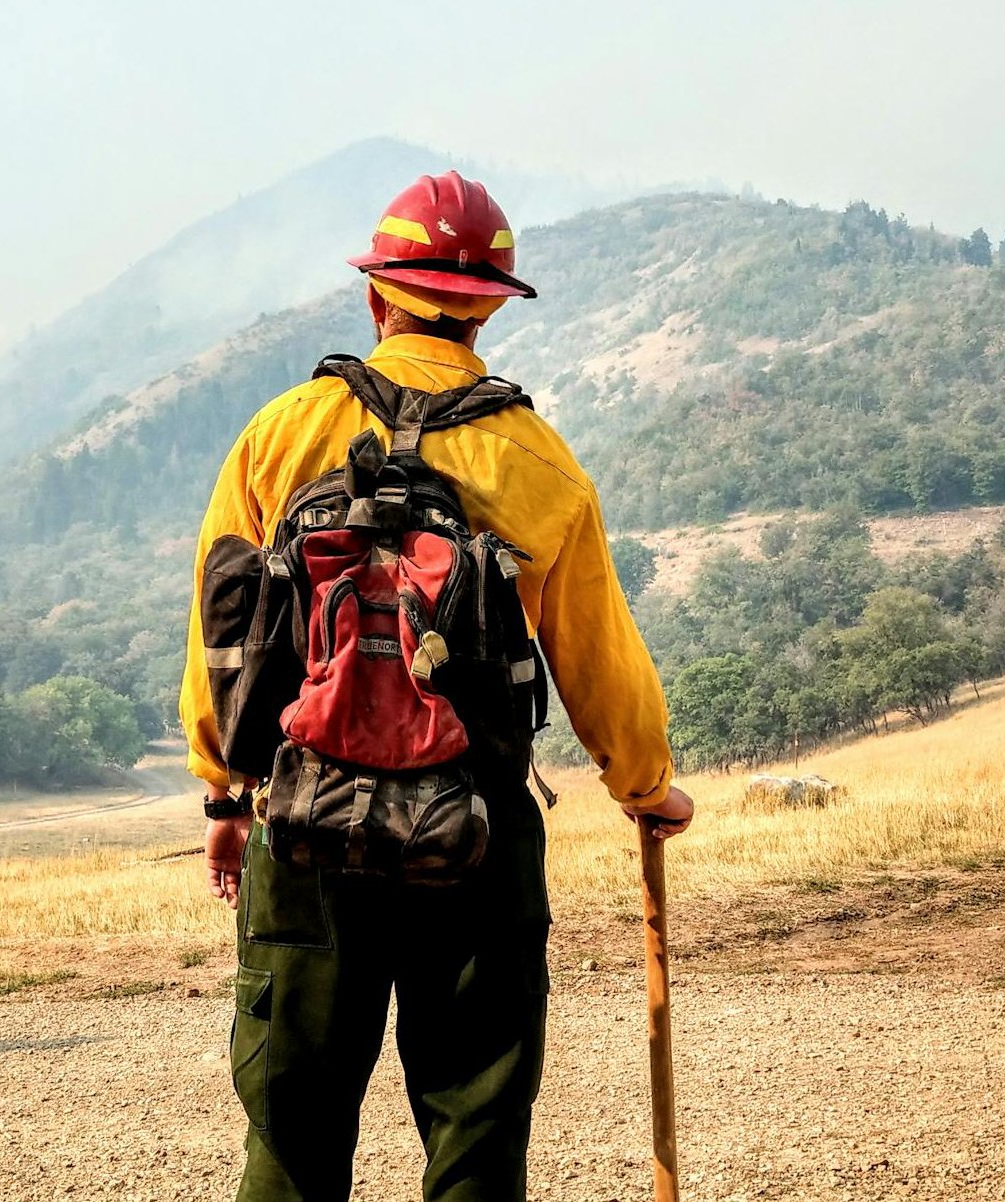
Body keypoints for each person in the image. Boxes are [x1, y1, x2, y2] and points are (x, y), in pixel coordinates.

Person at [180, 170, 693, 1202]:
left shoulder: (281, 432)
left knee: (292, 1120)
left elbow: (219, 625)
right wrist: (645, 786)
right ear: (488, 308)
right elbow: (595, 656)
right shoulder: (534, 459)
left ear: (377, 298)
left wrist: (224, 795)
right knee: (474, 1114)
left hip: (304, 812)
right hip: (476, 829)